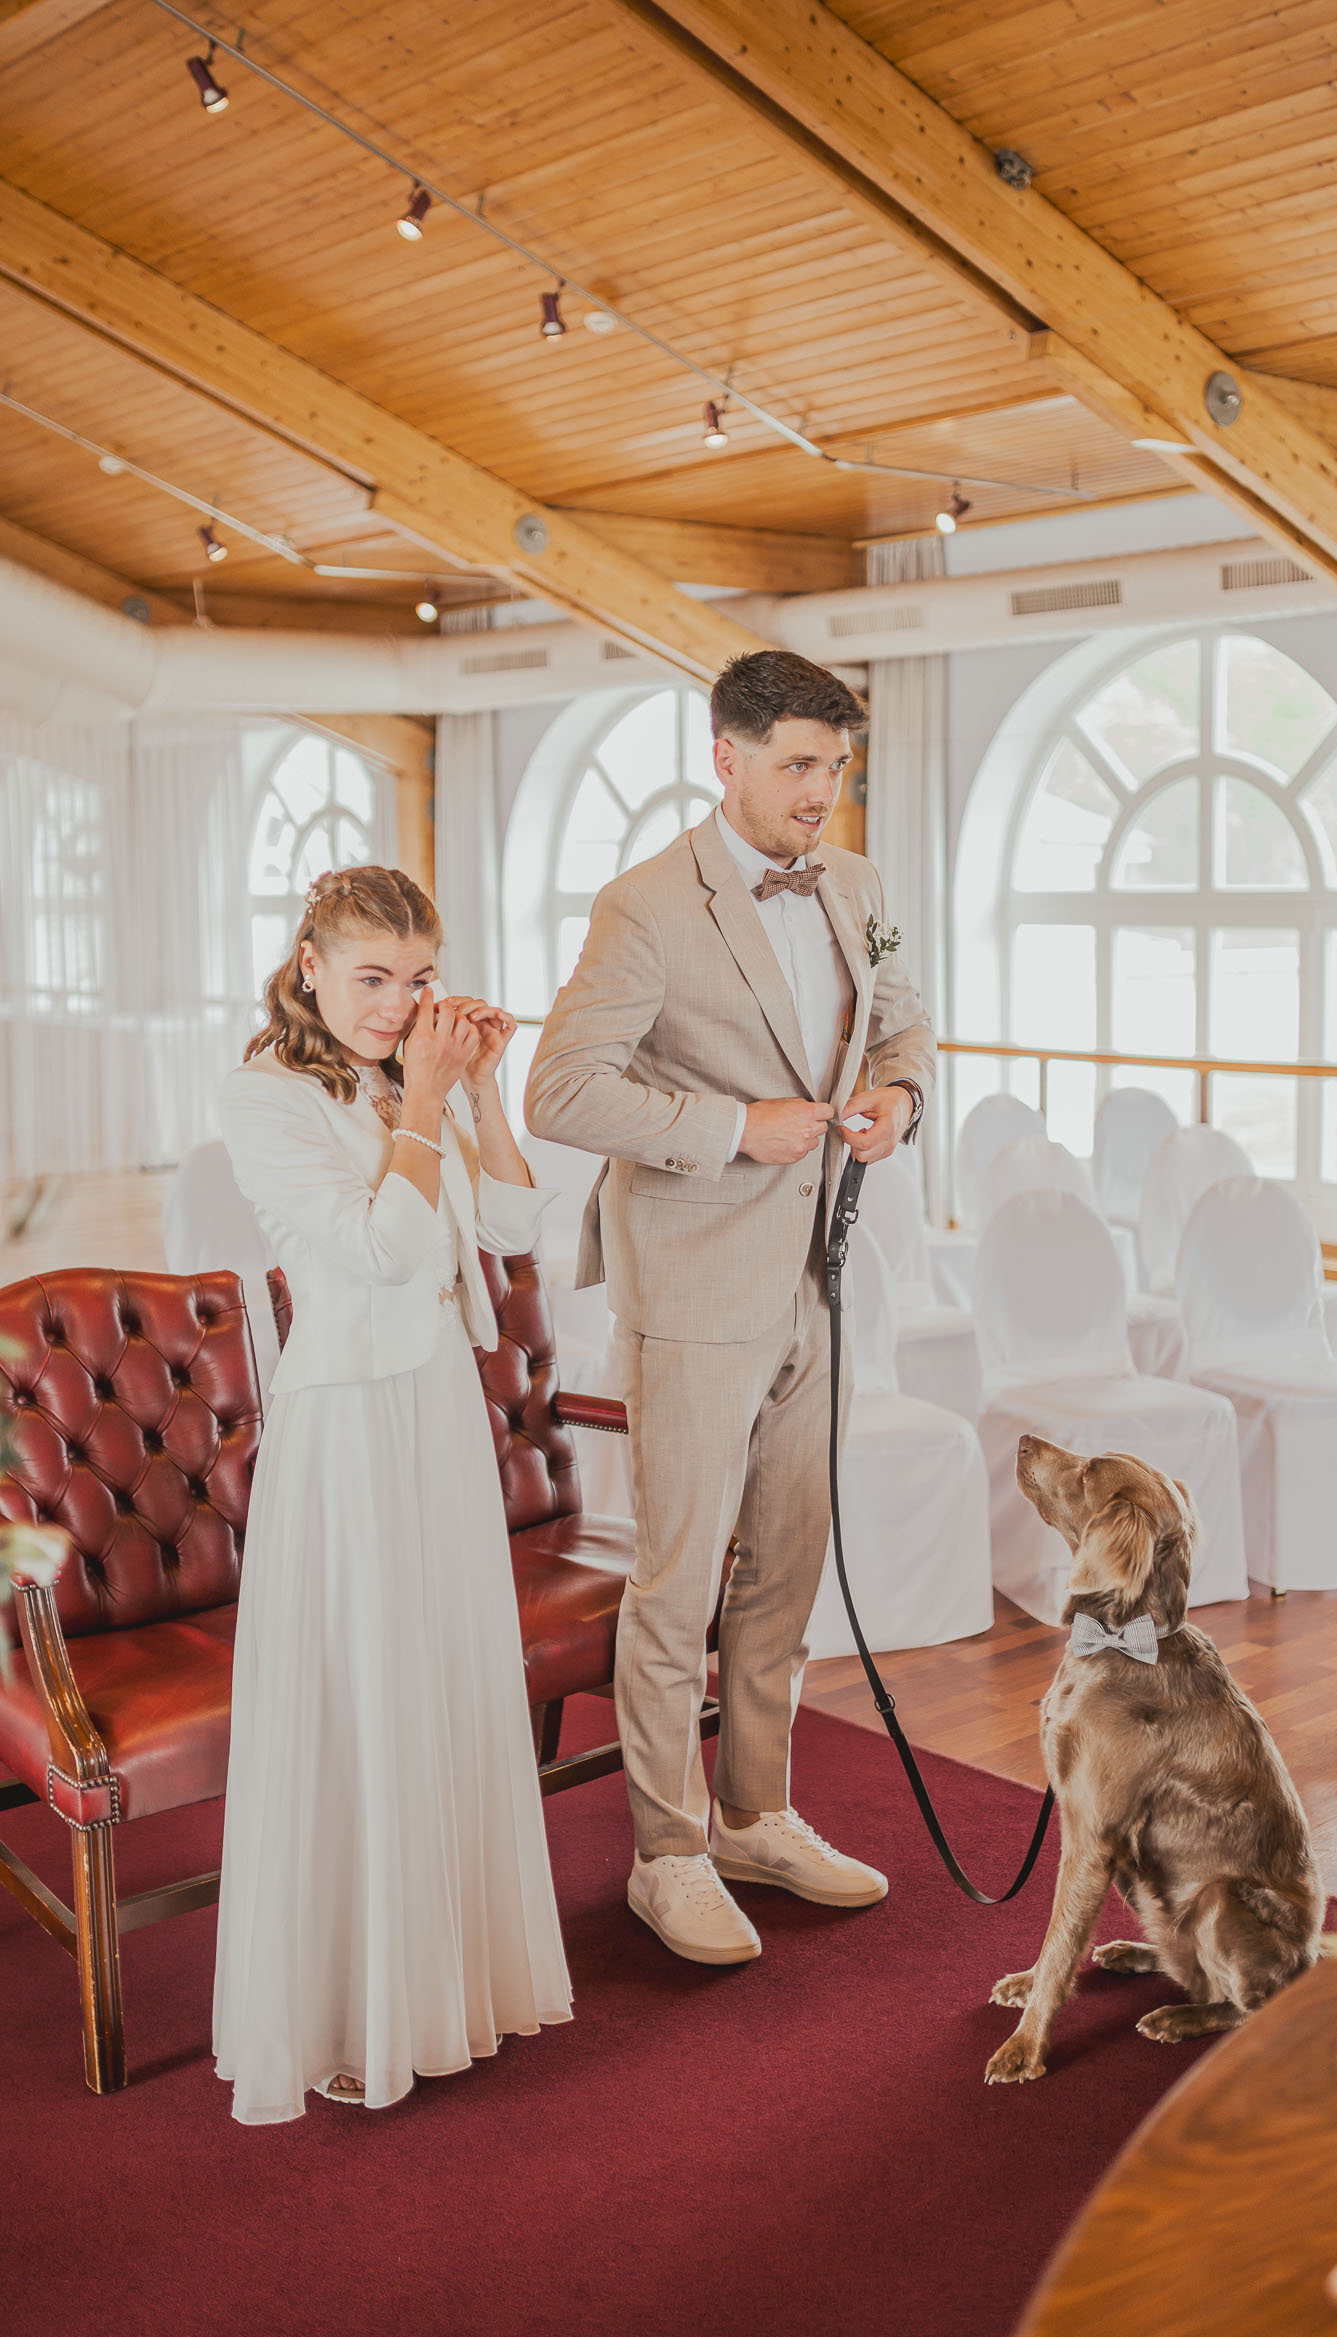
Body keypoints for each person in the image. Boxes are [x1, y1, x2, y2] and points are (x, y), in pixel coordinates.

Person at [525, 650, 936, 1967]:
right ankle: (668, 1852)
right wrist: (730, 1128)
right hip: (694, 1290)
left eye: (837, 768)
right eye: (800, 765)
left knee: (787, 1568)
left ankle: (758, 1813)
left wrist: (901, 1103)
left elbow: (904, 1031)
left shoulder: (859, 885)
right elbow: (560, 1093)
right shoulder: (645, 905)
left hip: (822, 1278)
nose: (823, 792)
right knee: (680, 1580)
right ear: (727, 757)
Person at [214, 865, 571, 2122]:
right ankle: (352, 2005)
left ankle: (443, 1982)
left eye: (417, 978)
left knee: (438, 1683)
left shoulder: (399, 1080)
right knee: (364, 1695)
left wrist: (471, 1089)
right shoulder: (266, 1097)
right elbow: (377, 1253)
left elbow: (518, 1218)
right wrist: (422, 1096)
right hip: (349, 1422)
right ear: (309, 960)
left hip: (433, 1410)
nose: (398, 1001)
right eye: (372, 977)